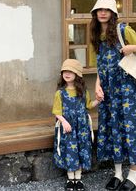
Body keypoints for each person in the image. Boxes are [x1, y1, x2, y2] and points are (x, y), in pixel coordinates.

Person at [90, 0, 136, 191]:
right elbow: (100, 67)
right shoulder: (96, 36)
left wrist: (131, 48)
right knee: (113, 129)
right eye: (99, 9)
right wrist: (97, 85)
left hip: (128, 91)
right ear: (95, 13)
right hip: (109, 92)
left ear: (112, 13)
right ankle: (117, 173)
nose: (102, 12)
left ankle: (133, 176)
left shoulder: (123, 29)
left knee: (131, 128)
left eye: (106, 9)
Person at [52, 59, 98, 191]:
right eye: (65, 71)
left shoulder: (83, 92)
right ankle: (70, 178)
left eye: (70, 71)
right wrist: (64, 122)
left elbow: (89, 105)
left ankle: (78, 178)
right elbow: (57, 112)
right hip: (68, 128)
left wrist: (98, 100)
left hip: (82, 128)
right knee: (70, 150)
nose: (67, 74)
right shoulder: (60, 93)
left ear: (77, 74)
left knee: (81, 149)